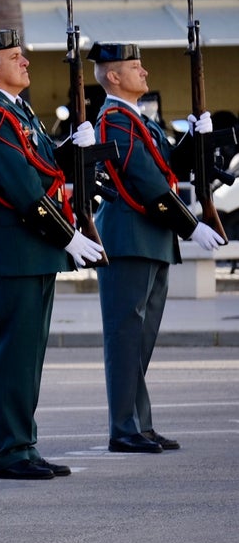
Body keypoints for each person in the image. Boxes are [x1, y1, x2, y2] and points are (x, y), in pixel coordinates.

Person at [0, 29, 104, 480]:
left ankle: (23, 443)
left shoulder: (14, 111)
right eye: (14, 56)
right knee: (13, 357)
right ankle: (8, 451)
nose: (25, 62)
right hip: (14, 251)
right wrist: (68, 236)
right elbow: (22, 189)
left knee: (28, 357)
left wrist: (74, 149)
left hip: (31, 250)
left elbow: (39, 166)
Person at [89, 42, 226, 453]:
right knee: (125, 337)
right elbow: (146, 181)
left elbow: (167, 165)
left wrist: (194, 139)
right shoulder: (114, 120)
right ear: (114, 76)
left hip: (152, 238)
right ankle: (123, 428)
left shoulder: (139, 121)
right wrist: (191, 226)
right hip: (129, 238)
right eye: (135, 66)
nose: (144, 71)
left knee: (140, 339)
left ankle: (139, 424)